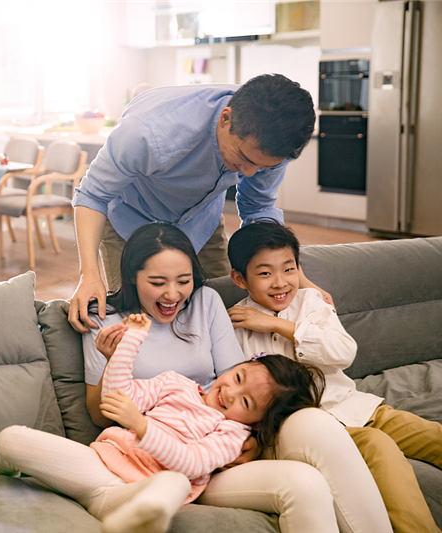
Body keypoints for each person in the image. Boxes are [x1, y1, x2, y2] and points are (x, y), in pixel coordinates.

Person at [84, 222, 392, 533]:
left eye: (184, 280)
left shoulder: (205, 302)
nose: (173, 294)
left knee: (315, 421)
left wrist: (253, 439)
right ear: (132, 276)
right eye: (157, 282)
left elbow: (239, 377)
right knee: (303, 484)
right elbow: (100, 415)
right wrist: (113, 360)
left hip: (226, 441)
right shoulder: (104, 321)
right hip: (170, 458)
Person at [0, 309, 323, 533]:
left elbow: (193, 463)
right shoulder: (176, 383)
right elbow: (118, 397)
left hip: (137, 491)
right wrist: (131, 341)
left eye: (246, 402)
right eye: (238, 377)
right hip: (96, 466)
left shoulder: (231, 433)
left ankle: (143, 520)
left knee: (177, 480)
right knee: (13, 437)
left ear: (257, 421)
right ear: (237, 366)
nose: (230, 392)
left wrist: (143, 427)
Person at [68, 73, 328, 335]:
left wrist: (297, 277)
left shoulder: (276, 141)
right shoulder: (146, 132)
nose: (249, 173)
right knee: (138, 318)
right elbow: (93, 195)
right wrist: (89, 275)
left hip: (201, 218)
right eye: (244, 158)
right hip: (131, 218)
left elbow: (259, 208)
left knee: (226, 303)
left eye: (262, 167)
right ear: (225, 119)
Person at [227, 221, 442, 533]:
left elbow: (343, 352)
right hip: (317, 431)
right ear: (239, 278)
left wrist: (278, 326)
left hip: (358, 408)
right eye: (264, 273)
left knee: (434, 436)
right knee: (378, 446)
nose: (280, 282)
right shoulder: (236, 325)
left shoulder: (311, 302)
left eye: (288, 269)